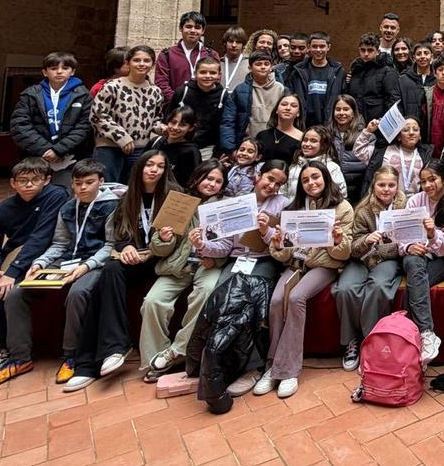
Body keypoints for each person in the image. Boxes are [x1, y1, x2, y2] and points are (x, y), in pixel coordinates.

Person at [0, 159, 116, 388]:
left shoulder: (112, 206)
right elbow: (59, 243)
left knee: (78, 293)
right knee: (16, 294)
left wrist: (86, 266)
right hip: (65, 260)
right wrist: (40, 263)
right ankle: (20, 357)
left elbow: (111, 245)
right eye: (78, 183)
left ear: (101, 182)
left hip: (95, 263)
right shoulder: (68, 207)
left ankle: (71, 355)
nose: (83, 188)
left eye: (89, 183)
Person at [66, 150, 181, 390]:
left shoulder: (175, 197)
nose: (154, 170)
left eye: (160, 166)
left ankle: (89, 362)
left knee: (105, 278)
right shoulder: (127, 197)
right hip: (136, 260)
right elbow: (120, 234)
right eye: (149, 164)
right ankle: (112, 350)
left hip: (161, 261)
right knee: (110, 270)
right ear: (139, 167)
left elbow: (179, 242)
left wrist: (154, 250)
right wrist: (126, 246)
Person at [0, 158, 67, 378]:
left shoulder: (55, 196)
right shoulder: (2, 210)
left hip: (36, 259)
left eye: (35, 180)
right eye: (23, 180)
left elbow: (40, 238)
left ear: (46, 180)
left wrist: (10, 274)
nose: (28, 185)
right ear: (12, 183)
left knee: (2, 295)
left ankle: (6, 350)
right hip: (5, 260)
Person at [255, 160, 352, 399]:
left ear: (326, 179)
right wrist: (278, 244)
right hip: (294, 265)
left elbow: (345, 254)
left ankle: (288, 371)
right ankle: (272, 366)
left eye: (316, 177)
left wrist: (337, 240)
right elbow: (283, 254)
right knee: (277, 301)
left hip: (323, 266)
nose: (311, 183)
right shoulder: (292, 209)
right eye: (305, 180)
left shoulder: (342, 208)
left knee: (297, 298)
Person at [192, 162, 290, 397]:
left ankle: (253, 367)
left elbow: (283, 246)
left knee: (252, 304)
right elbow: (225, 246)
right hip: (236, 261)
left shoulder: (283, 204)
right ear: (258, 176)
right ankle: (222, 361)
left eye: (278, 183)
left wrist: (266, 230)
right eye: (269, 178)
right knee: (222, 301)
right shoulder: (236, 202)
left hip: (265, 261)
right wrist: (201, 245)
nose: (273, 186)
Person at [139, 160, 226, 383]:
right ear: (197, 177)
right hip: (177, 266)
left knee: (206, 292)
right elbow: (157, 248)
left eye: (218, 181)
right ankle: (155, 359)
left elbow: (232, 245)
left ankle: (177, 351)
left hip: (208, 265)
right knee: (152, 301)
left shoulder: (225, 206)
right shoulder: (178, 202)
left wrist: (216, 261)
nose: (212, 184)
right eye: (208, 178)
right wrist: (165, 239)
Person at [391, 161, 444, 367]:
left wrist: (432, 235)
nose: (428, 185)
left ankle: (408, 342)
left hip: (443, 259)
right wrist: (411, 246)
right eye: (423, 181)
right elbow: (402, 235)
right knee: (414, 264)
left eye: (432, 180)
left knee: (415, 286)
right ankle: (426, 333)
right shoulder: (414, 201)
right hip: (416, 256)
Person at [10, 50, 93, 187]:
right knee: (34, 195)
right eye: (54, 68)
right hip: (36, 157)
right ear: (45, 72)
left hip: (70, 157)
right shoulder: (30, 95)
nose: (59, 72)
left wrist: (59, 150)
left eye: (65, 68)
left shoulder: (84, 96)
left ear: (72, 72)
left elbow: (85, 126)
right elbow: (19, 125)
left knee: (66, 195)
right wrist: (45, 150)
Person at [90, 44, 165, 183]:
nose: (142, 64)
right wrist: (122, 137)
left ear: (153, 64)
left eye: (147, 60)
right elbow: (97, 116)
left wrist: (162, 128)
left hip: (139, 149)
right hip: (110, 148)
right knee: (107, 189)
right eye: (137, 60)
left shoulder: (155, 92)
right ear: (128, 63)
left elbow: (155, 119)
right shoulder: (112, 86)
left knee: (131, 191)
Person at [220, 51, 284, 153]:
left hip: (273, 143)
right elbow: (228, 121)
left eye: (266, 64)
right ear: (250, 68)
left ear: (271, 67)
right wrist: (230, 149)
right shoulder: (240, 90)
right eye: (258, 64)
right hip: (247, 143)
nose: (263, 67)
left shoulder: (281, 89)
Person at [167, 57, 228, 159]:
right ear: (195, 74)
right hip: (179, 144)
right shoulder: (182, 92)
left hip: (207, 148)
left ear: (219, 75)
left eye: (212, 73)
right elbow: (169, 117)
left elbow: (224, 125)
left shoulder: (223, 96)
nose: (207, 76)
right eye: (203, 72)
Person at [155, 11, 219, 103]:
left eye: (197, 28)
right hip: (175, 109)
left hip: (204, 106)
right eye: (189, 27)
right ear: (181, 28)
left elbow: (216, 80)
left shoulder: (211, 55)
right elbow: (161, 83)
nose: (193, 30)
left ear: (203, 31)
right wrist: (178, 100)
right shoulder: (167, 54)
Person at [359, 116, 431, 196]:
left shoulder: (426, 155)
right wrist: (368, 131)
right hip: (385, 201)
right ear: (399, 136)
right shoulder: (384, 151)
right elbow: (359, 152)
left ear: (420, 135)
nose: (411, 133)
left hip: (415, 204)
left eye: (416, 129)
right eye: (406, 130)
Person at [287, 31, 346, 129]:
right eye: (314, 46)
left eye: (322, 46)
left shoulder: (339, 72)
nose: (318, 50)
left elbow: (344, 98)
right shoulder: (297, 72)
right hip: (303, 125)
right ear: (309, 47)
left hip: (330, 124)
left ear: (328, 47)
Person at [345, 33, 400, 125]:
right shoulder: (355, 71)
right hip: (356, 125)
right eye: (363, 50)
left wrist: (383, 122)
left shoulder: (387, 70)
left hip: (379, 124)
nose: (366, 54)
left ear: (377, 51)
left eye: (370, 50)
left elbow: (392, 99)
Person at [286, 124, 348, 199]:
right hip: (294, 210)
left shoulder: (331, 167)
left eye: (313, 141)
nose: (307, 144)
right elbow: (283, 192)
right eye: (305, 140)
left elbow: (340, 194)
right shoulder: (294, 166)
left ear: (323, 146)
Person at [145, 105, 202, 185]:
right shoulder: (155, 141)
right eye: (173, 122)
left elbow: (190, 182)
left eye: (182, 125)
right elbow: (139, 167)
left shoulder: (191, 152)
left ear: (191, 128)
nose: (175, 127)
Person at [328, 95, 369, 198]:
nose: (341, 113)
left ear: (353, 113)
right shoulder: (326, 135)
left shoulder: (365, 136)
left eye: (346, 109)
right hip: (333, 193)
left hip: (359, 193)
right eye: (338, 109)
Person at [255, 93, 305, 164]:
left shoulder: (302, 139)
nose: (288, 108)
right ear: (277, 110)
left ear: (298, 113)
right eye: (284, 104)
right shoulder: (262, 135)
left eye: (293, 106)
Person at [219, 26, 249, 91]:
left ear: (243, 45)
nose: (234, 45)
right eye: (230, 41)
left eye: (238, 42)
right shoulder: (217, 64)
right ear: (225, 43)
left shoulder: (249, 64)